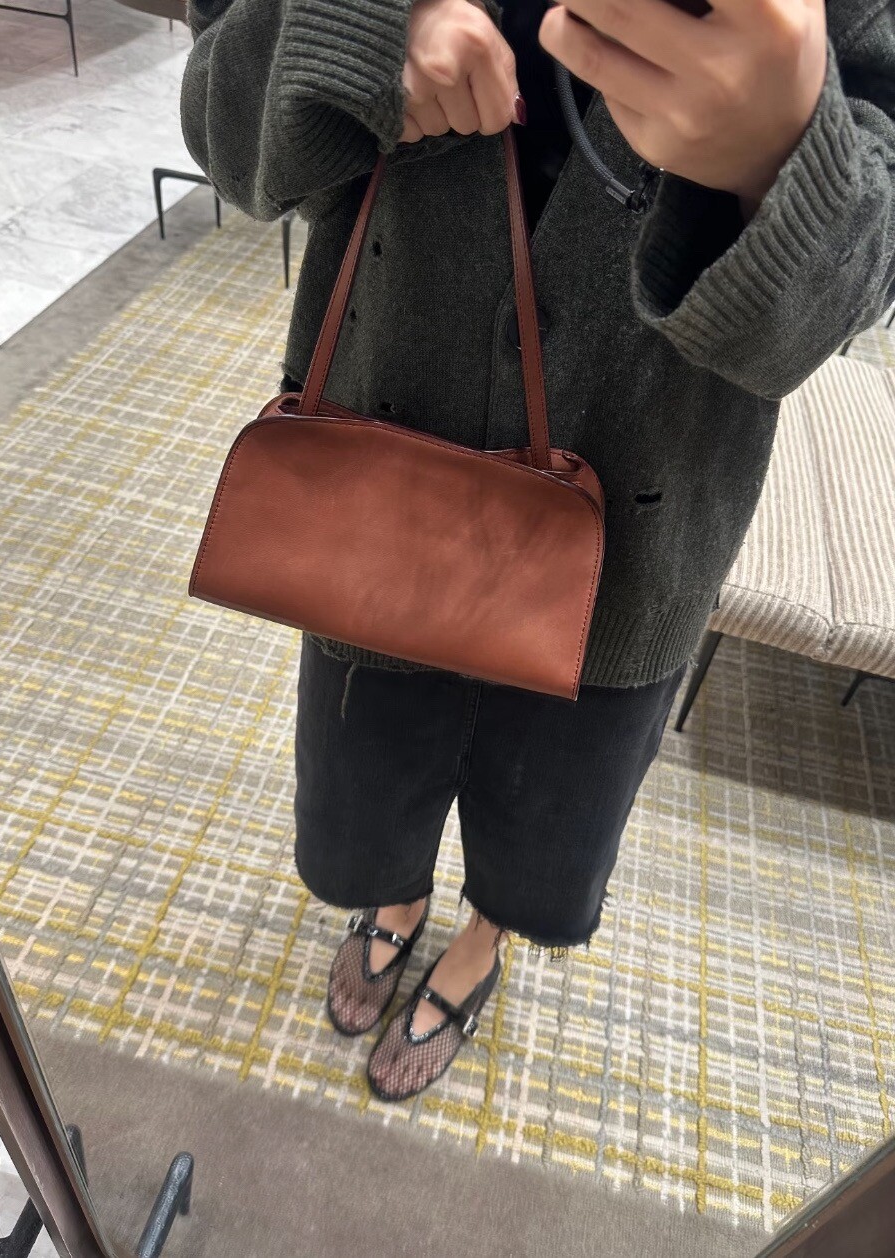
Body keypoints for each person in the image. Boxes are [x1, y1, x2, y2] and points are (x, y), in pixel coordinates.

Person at [180, 0, 895, 1103]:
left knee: (548, 811)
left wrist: (778, 162)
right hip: (378, 477)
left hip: (642, 511)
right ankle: (398, 898)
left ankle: (480, 942)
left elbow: (849, 294)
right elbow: (217, 122)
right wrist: (358, 30)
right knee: (365, 780)